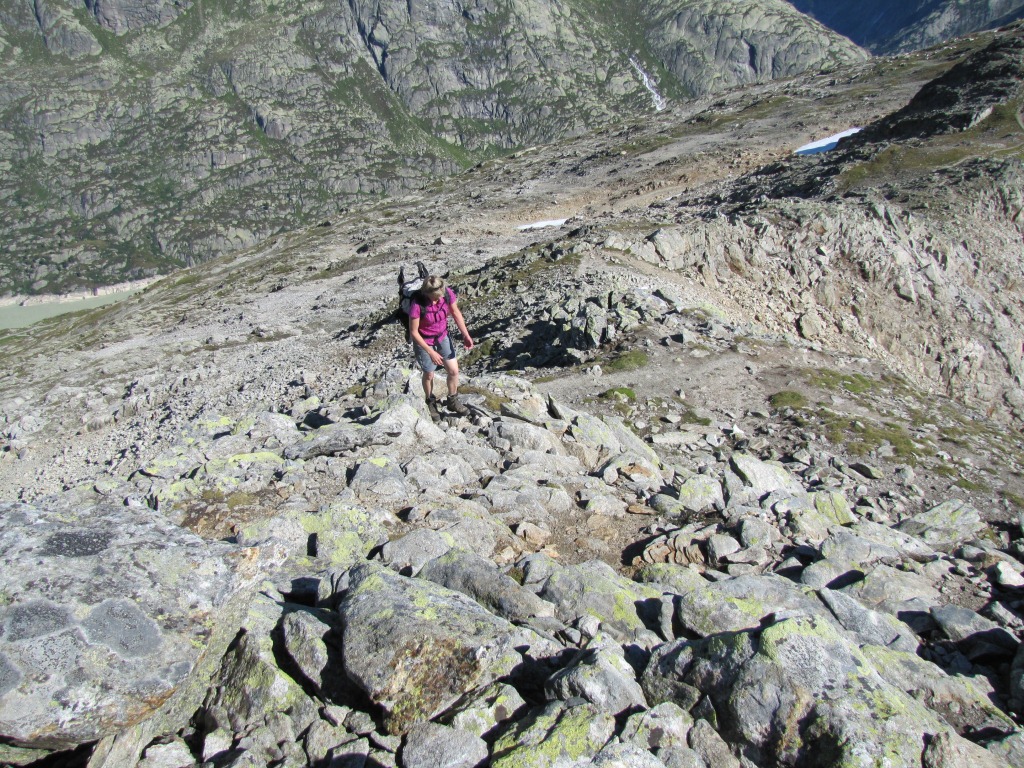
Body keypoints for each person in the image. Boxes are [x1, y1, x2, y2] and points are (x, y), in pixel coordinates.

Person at [408, 275, 474, 416]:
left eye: (439, 297)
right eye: (434, 298)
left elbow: (456, 313)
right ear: (426, 293)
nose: (437, 300)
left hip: (442, 336)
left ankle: (452, 400)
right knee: (429, 373)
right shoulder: (417, 304)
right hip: (424, 340)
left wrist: (465, 335)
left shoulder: (447, 293)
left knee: (454, 371)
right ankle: (430, 401)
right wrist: (430, 352)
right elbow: (414, 332)